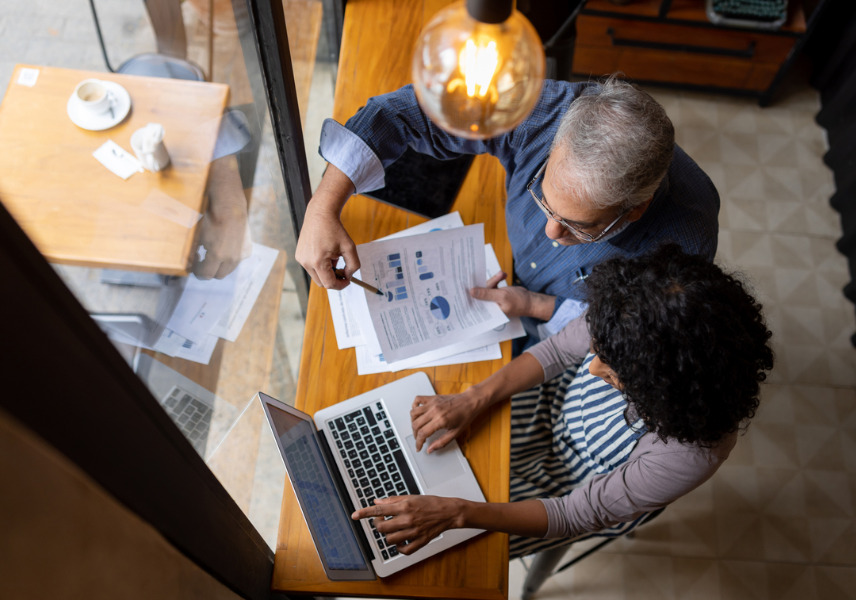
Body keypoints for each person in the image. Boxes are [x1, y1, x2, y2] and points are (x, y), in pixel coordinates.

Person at [350, 244, 774, 557]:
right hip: (551, 409)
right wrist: (473, 398)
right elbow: (557, 354)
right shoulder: (635, 312)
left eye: (611, 373)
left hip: (574, 488)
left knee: (458, 549)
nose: (591, 369)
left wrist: (460, 513)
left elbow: (574, 513)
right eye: (599, 356)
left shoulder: (692, 454)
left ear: (662, 391)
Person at [296, 76, 720, 347]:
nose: (552, 231)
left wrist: (536, 306)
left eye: (580, 226)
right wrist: (323, 207)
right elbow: (398, 114)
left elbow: (632, 332)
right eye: (544, 198)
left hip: (554, 327)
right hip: (496, 263)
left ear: (635, 209)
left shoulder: (687, 239)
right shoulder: (545, 112)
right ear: (555, 141)